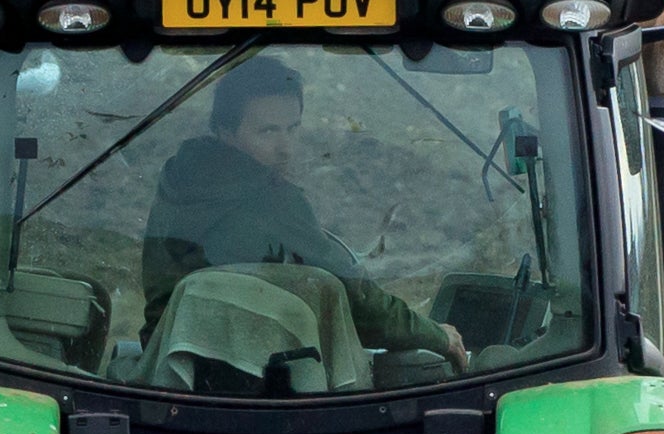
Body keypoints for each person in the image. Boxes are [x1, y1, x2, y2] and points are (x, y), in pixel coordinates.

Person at [139, 57, 468, 365]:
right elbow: (358, 302)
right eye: (267, 131)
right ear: (227, 134)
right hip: (246, 374)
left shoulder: (180, 181)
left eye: (292, 129)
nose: (285, 147)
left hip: (170, 364)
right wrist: (437, 336)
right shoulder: (271, 199)